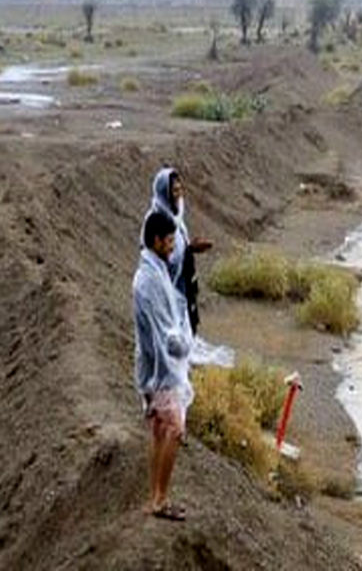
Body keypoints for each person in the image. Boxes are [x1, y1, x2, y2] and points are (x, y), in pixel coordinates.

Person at [134, 210, 193, 521]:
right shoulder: (150, 280)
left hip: (152, 370)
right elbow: (164, 333)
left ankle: (155, 496)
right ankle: (160, 499)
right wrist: (185, 345)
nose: (172, 246)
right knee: (173, 429)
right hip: (162, 370)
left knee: (159, 431)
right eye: (169, 240)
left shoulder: (152, 271)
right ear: (156, 240)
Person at [144, 167, 212, 334]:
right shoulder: (156, 220)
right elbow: (159, 257)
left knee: (188, 324)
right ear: (164, 192)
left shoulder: (176, 215)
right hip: (168, 288)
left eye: (180, 189)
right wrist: (188, 250)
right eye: (174, 190)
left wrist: (190, 249)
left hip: (184, 283)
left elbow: (179, 245)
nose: (179, 194)